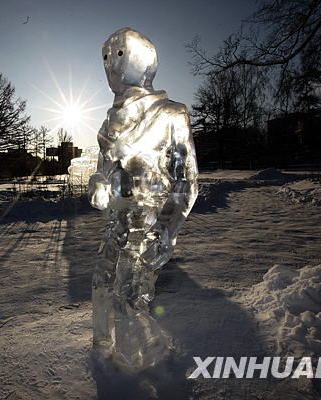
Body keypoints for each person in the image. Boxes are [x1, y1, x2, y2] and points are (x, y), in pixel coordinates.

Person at [88, 27, 199, 371]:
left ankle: (139, 358)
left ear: (144, 60)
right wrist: (99, 183)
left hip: (150, 221)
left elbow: (186, 181)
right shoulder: (110, 122)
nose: (111, 64)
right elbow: (105, 170)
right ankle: (103, 346)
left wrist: (166, 230)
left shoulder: (171, 114)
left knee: (131, 292)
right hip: (116, 223)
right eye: (106, 57)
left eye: (120, 54)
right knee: (102, 283)